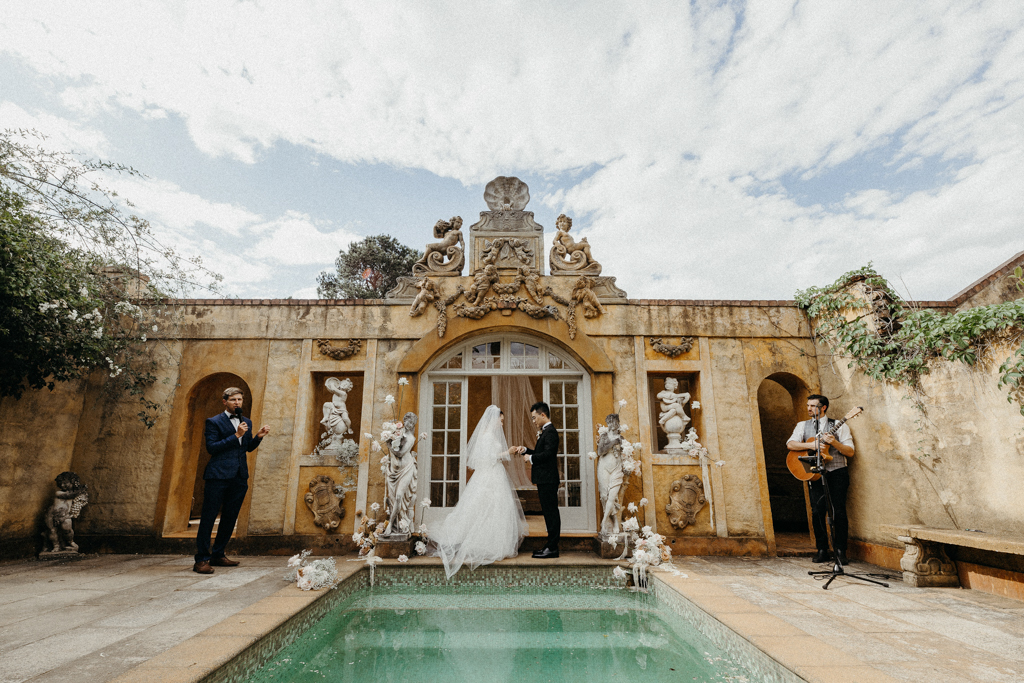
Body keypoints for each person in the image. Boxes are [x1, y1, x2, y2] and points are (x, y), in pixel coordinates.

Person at [430, 406, 528, 578]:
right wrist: (508, 451)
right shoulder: (488, 436)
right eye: (501, 420)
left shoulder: (487, 436)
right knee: (488, 507)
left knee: (492, 508)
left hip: (492, 474)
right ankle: (487, 544)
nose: (502, 424)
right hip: (490, 475)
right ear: (493, 419)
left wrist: (507, 452)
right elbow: (488, 458)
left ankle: (493, 541)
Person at [194, 387, 270, 574]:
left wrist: (258, 437)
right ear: (224, 402)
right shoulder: (214, 422)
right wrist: (235, 435)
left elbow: (246, 448)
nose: (237, 403)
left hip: (239, 476)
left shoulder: (246, 422)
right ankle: (201, 560)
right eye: (233, 400)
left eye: (240, 400)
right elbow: (212, 448)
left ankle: (218, 554)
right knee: (209, 518)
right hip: (217, 476)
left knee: (230, 517)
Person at [786, 394, 855, 565]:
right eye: (808, 405)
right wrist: (811, 445)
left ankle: (840, 550)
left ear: (823, 407)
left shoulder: (839, 425)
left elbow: (850, 452)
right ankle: (822, 549)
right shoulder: (802, 425)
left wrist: (835, 444)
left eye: (813, 406)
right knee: (817, 511)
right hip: (815, 473)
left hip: (837, 472)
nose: (809, 408)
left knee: (838, 511)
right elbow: (791, 444)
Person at [516, 401, 561, 559]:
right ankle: (549, 545)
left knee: (551, 513)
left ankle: (553, 548)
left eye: (535, 418)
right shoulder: (545, 432)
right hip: (544, 480)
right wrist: (526, 451)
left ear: (543, 415)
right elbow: (540, 452)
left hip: (548, 479)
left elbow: (548, 455)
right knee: (548, 513)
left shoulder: (551, 432)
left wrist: (531, 458)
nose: (533, 421)